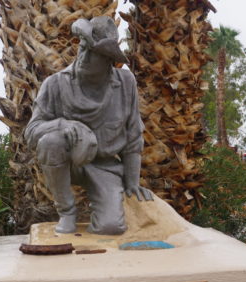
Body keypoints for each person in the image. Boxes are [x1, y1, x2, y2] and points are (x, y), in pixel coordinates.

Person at [25, 15, 152, 235]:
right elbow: (32, 132)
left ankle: (104, 207)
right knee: (51, 141)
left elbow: (133, 137)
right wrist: (62, 124)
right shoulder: (55, 84)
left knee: (111, 227)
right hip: (66, 163)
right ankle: (66, 212)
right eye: (82, 48)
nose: (83, 56)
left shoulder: (125, 83)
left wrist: (132, 183)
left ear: (107, 60)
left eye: (92, 53)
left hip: (105, 166)